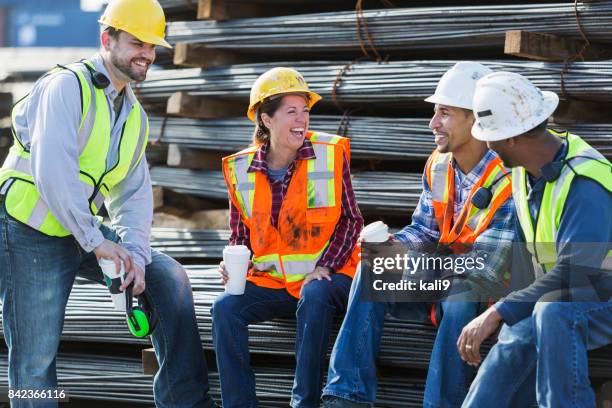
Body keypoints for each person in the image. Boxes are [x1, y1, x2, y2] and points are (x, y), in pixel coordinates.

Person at [0, 1, 215, 407]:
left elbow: (132, 193)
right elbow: (53, 173)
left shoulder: (133, 114)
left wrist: (133, 254)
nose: (147, 54)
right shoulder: (66, 87)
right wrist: (95, 240)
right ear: (107, 39)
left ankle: (185, 401)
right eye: (137, 42)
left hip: (77, 229)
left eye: (153, 46)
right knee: (35, 360)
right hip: (28, 229)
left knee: (167, 278)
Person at [321, 62, 515, 408]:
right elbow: (425, 230)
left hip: (488, 296)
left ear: (476, 119)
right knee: (373, 267)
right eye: (434, 112)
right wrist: (393, 248)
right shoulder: (440, 166)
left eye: (445, 113)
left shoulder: (508, 179)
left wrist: (421, 266)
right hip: (445, 278)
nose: (432, 124)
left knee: (459, 298)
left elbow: (486, 270)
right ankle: (345, 396)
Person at [459, 71, 612, 408]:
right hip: (563, 293)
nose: (487, 144)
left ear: (511, 139)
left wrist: (499, 311)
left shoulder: (584, 181)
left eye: (490, 137)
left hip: (594, 293)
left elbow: (576, 272)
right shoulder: (523, 172)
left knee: (550, 311)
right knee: (515, 339)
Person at [213, 67, 363, 408]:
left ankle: (304, 403)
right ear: (266, 119)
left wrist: (325, 266)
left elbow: (351, 221)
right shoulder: (242, 169)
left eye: (305, 111)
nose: (302, 120)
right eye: (291, 112)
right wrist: (233, 263)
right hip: (274, 282)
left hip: (329, 277)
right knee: (224, 309)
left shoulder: (329, 154)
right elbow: (241, 235)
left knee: (314, 294)